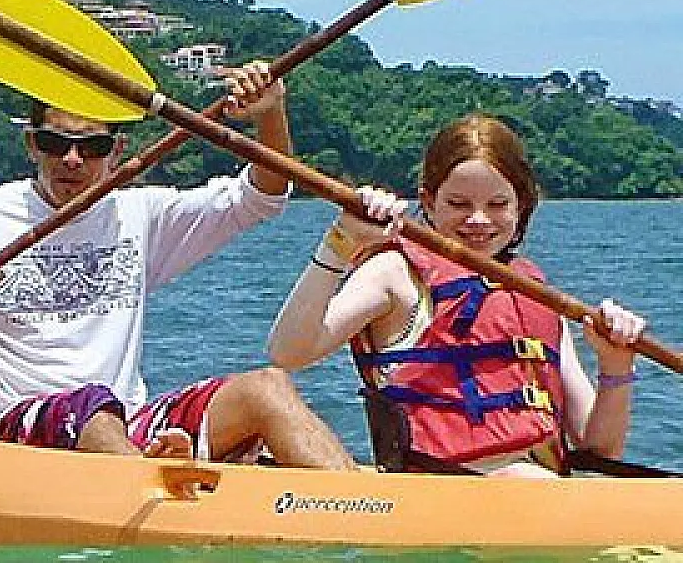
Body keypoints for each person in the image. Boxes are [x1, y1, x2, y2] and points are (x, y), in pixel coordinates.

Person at [0, 61, 354, 469]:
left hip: (125, 422)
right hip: (19, 426)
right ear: (31, 145)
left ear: (116, 152)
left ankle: (365, 507)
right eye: (55, 143)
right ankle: (155, 480)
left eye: (92, 146)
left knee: (267, 388)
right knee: (92, 408)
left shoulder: (138, 215)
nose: (72, 159)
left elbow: (263, 195)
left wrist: (270, 113)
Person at [268, 113, 645, 476]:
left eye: (497, 205)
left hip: (538, 488)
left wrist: (616, 366)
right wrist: (341, 242)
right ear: (429, 202)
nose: (479, 220)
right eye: (459, 204)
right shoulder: (395, 274)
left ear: (521, 206)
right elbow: (288, 353)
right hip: (443, 489)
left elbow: (601, 449)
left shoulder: (535, 294)